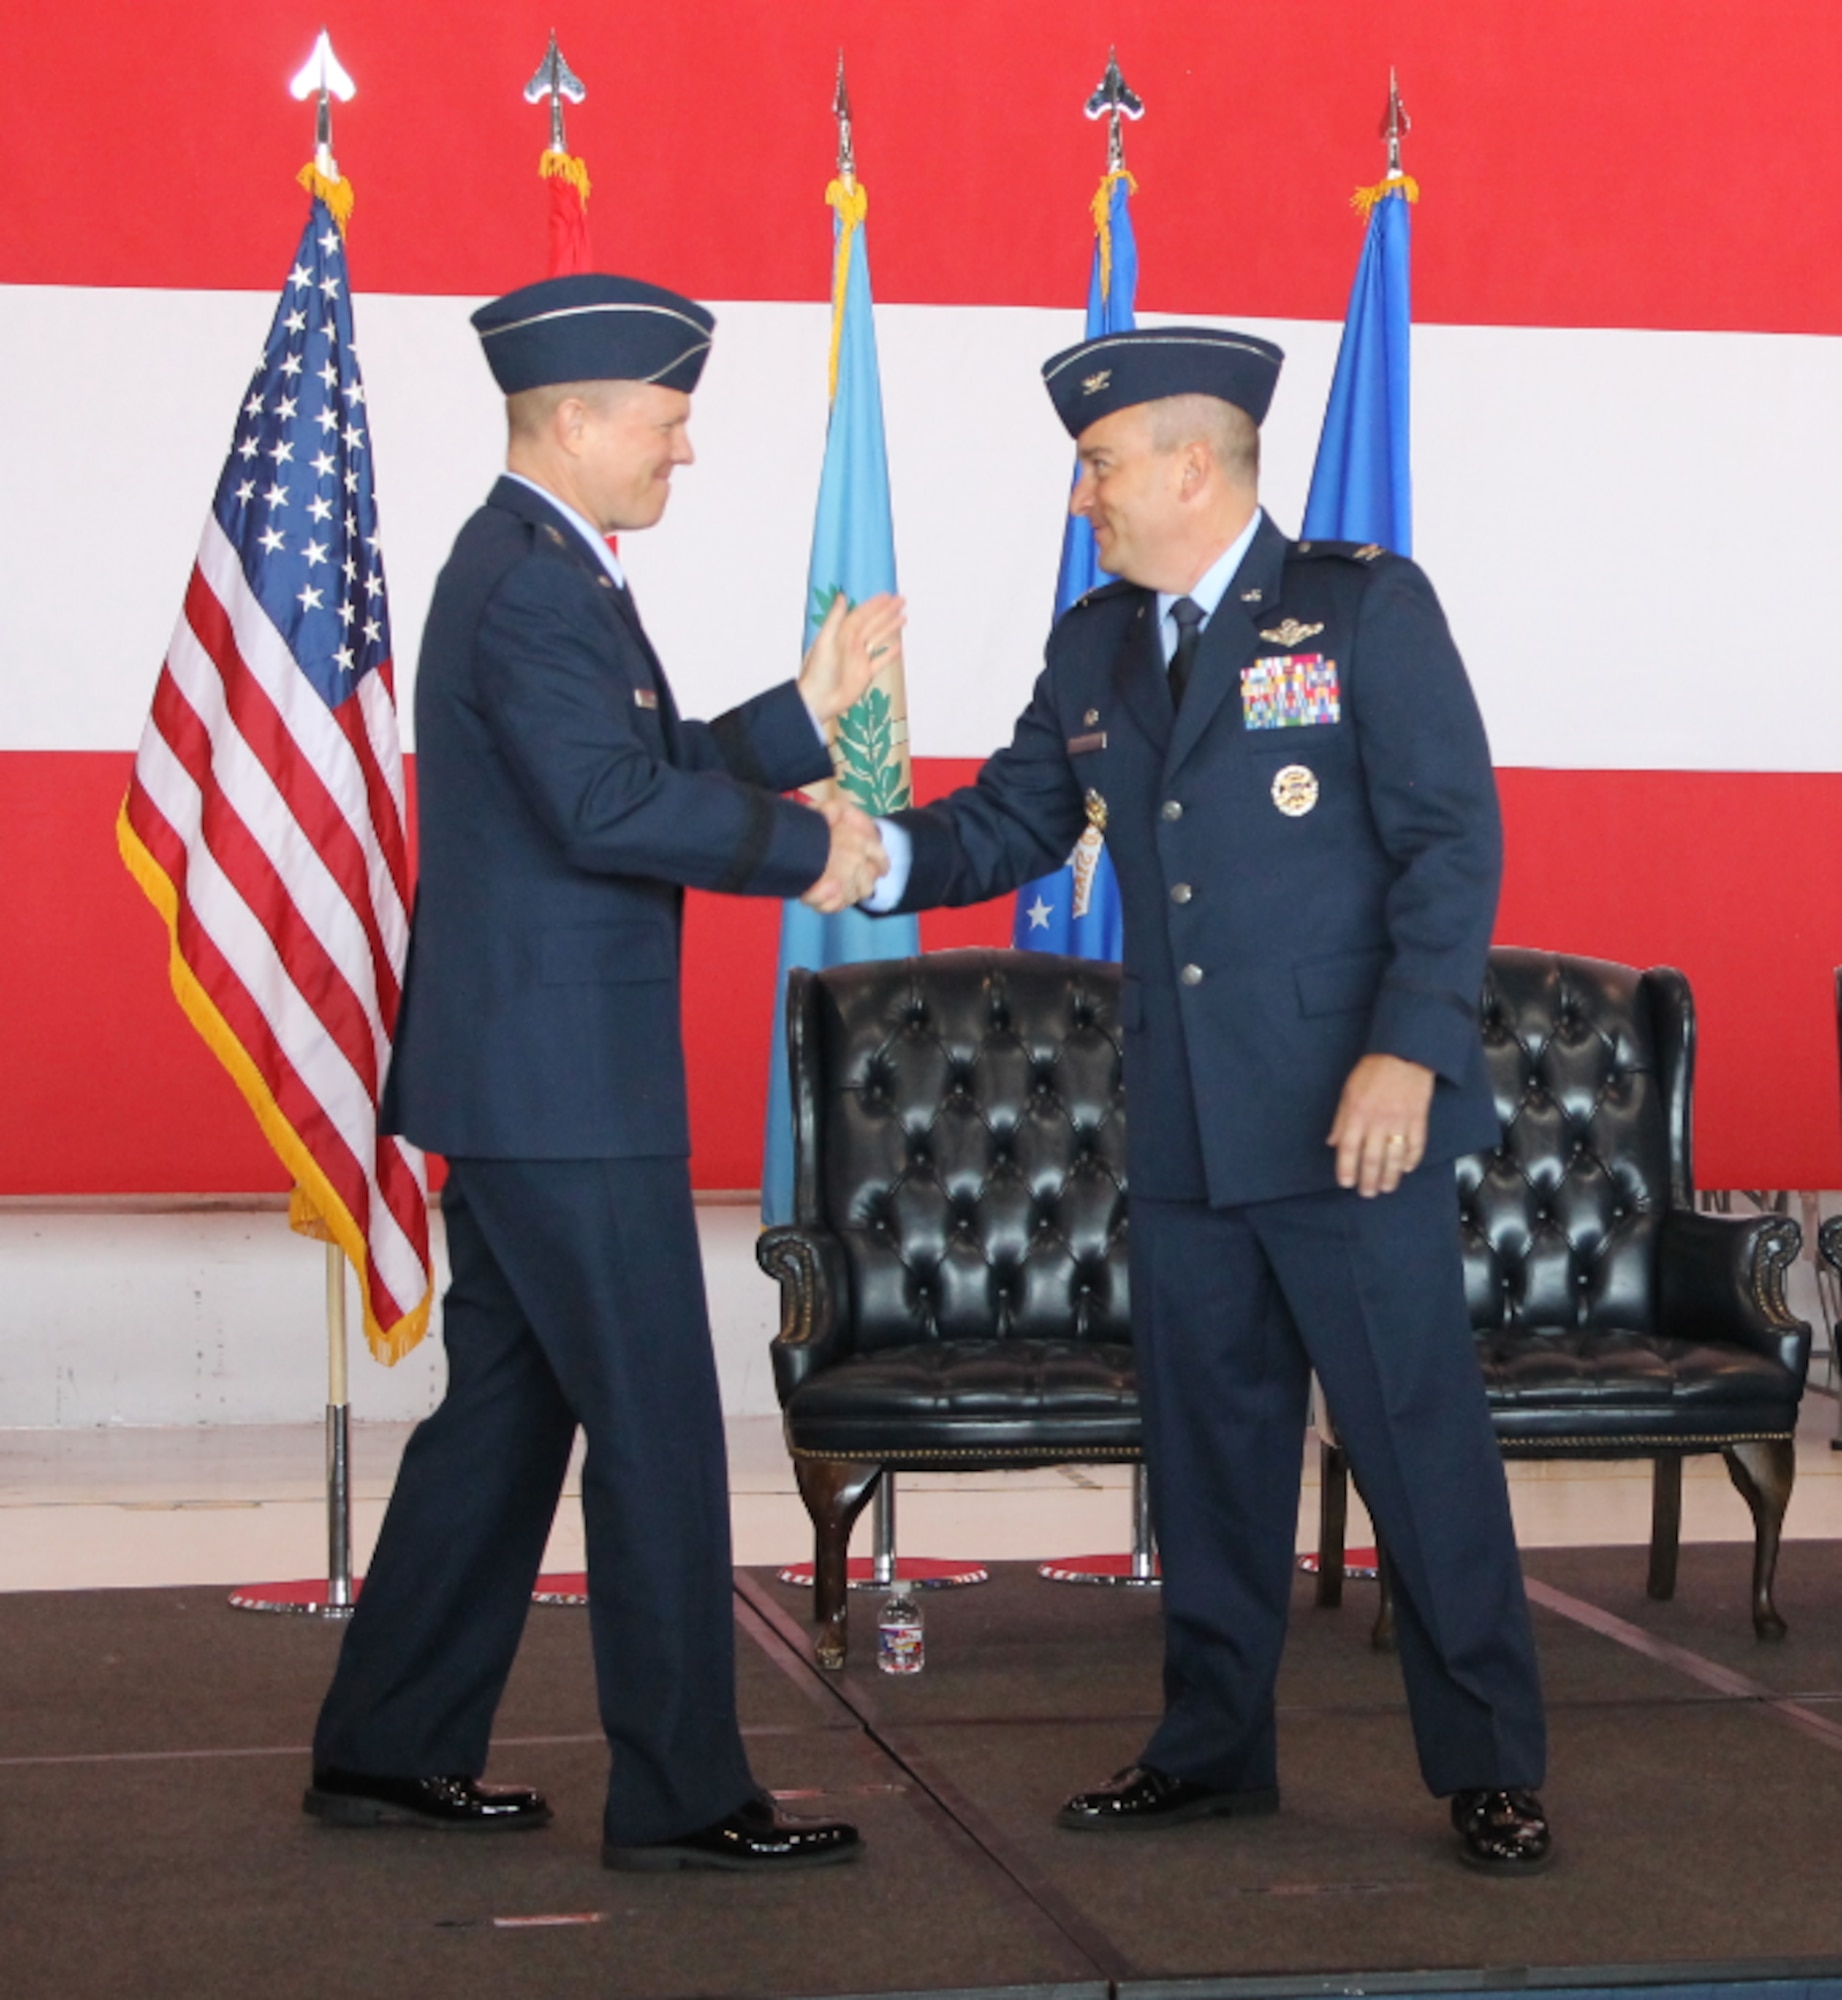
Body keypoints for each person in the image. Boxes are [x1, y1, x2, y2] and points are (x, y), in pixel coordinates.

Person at [864, 326, 1552, 1872]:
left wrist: (1408, 1047)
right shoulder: (1094, 641)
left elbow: (1451, 843)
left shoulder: (1361, 609)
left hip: (1350, 1116)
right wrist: (877, 855)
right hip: (1185, 1126)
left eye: (1098, 464)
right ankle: (1210, 1749)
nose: (1079, 498)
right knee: (1209, 1455)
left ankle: (1491, 1764)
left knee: (1415, 1448)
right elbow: (1012, 822)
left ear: (1192, 462)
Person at [306, 272, 894, 1873]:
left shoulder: (543, 567)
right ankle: (685, 1794)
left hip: (527, 1081)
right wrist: (810, 850)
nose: (682, 449)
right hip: (561, 1092)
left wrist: (796, 722)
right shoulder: (531, 586)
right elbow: (603, 810)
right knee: (653, 1427)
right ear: (575, 422)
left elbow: (627, 766)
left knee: (503, 1420)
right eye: (667, 418)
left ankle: (386, 1748)